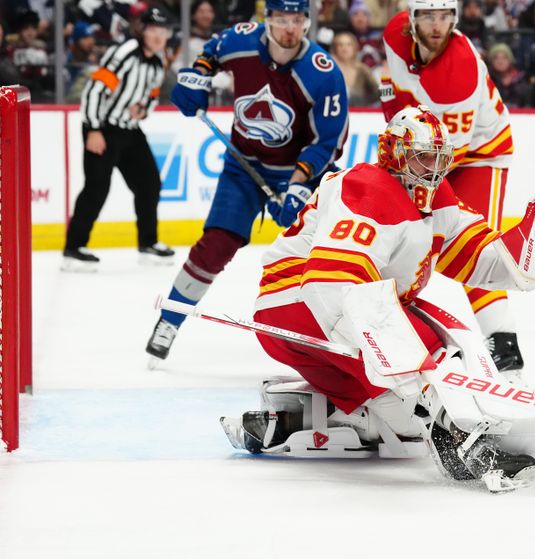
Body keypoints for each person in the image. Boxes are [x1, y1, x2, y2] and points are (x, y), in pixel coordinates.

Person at [219, 106, 535, 491]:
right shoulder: (369, 188)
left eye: (439, 157)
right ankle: (460, 441)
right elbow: (331, 283)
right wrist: (409, 373)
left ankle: (287, 423)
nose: (433, 167)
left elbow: (477, 256)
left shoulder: (436, 197)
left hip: (328, 308)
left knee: (398, 422)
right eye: (422, 155)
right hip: (299, 303)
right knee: (437, 353)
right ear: (394, 154)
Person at [146, 0, 349, 364]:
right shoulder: (240, 39)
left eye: (298, 20)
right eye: (282, 19)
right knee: (215, 245)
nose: (290, 28)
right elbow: (213, 50)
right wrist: (198, 77)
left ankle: (332, 336)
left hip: (300, 173)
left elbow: (329, 141)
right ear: (266, 20)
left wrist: (299, 184)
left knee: (322, 256)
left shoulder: (324, 72)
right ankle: (170, 319)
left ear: (307, 23)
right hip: (244, 167)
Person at [381, 0, 525, 375]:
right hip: (421, 149)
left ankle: (509, 362)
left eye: (444, 16)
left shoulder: (458, 72)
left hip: (477, 156)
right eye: (428, 15)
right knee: (392, 235)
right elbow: (396, 91)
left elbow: (444, 163)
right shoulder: (393, 35)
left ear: (456, 19)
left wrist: (408, 188)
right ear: (411, 19)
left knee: (475, 252)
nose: (436, 25)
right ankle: (383, 333)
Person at [62, 8, 175, 271]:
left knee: (149, 184)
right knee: (96, 188)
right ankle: (73, 248)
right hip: (103, 128)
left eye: (163, 32)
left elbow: (151, 97)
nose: (159, 37)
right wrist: (93, 129)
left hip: (130, 131)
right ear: (142, 30)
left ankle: (148, 243)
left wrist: (143, 109)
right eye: (153, 30)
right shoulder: (125, 52)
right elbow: (95, 89)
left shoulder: (157, 64)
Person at [329, 31, 380, 107]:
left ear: (354, 47)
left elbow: (377, 93)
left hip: (358, 114)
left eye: (348, 44)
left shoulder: (362, 69)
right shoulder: (329, 69)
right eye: (340, 45)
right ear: (335, 48)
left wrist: (365, 103)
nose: (344, 48)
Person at [486, 42, 533, 108]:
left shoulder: (521, 78)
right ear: (491, 61)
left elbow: (527, 102)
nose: (500, 62)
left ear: (510, 60)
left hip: (520, 116)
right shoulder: (487, 80)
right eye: (496, 58)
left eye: (504, 58)